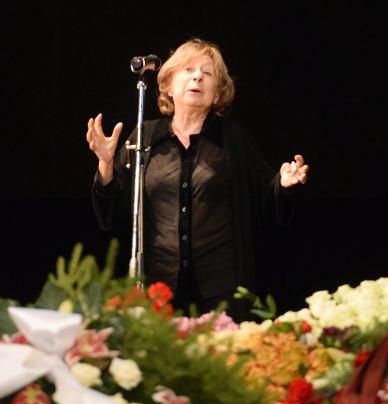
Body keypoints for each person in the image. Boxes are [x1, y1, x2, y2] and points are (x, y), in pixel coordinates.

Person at [86, 38, 308, 321]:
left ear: (217, 94)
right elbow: (113, 211)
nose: (197, 77)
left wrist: (284, 185)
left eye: (207, 73)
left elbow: (265, 201)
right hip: (158, 288)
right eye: (188, 69)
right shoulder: (145, 137)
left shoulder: (233, 139)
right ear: (168, 85)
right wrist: (106, 163)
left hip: (221, 288)